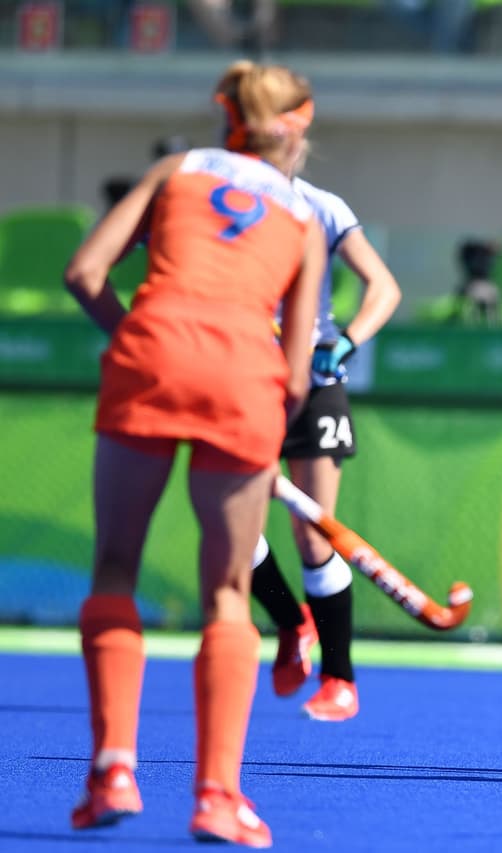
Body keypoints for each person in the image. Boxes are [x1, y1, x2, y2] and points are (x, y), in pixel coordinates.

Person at [63, 60, 324, 846]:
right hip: (247, 377)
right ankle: (217, 795)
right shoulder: (306, 222)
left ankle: (112, 767)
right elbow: (301, 371)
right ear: (298, 130)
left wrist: (140, 343)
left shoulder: (176, 169)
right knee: (229, 593)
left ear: (227, 117)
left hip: (149, 355)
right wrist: (264, 429)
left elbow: (83, 271)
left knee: (115, 567)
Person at [249, 141, 403, 723]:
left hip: (312, 376)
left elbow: (383, 288)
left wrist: (347, 341)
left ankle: (340, 677)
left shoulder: (323, 207)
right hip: (245, 377)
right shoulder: (222, 199)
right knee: (234, 533)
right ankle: (292, 623)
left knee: (314, 533)